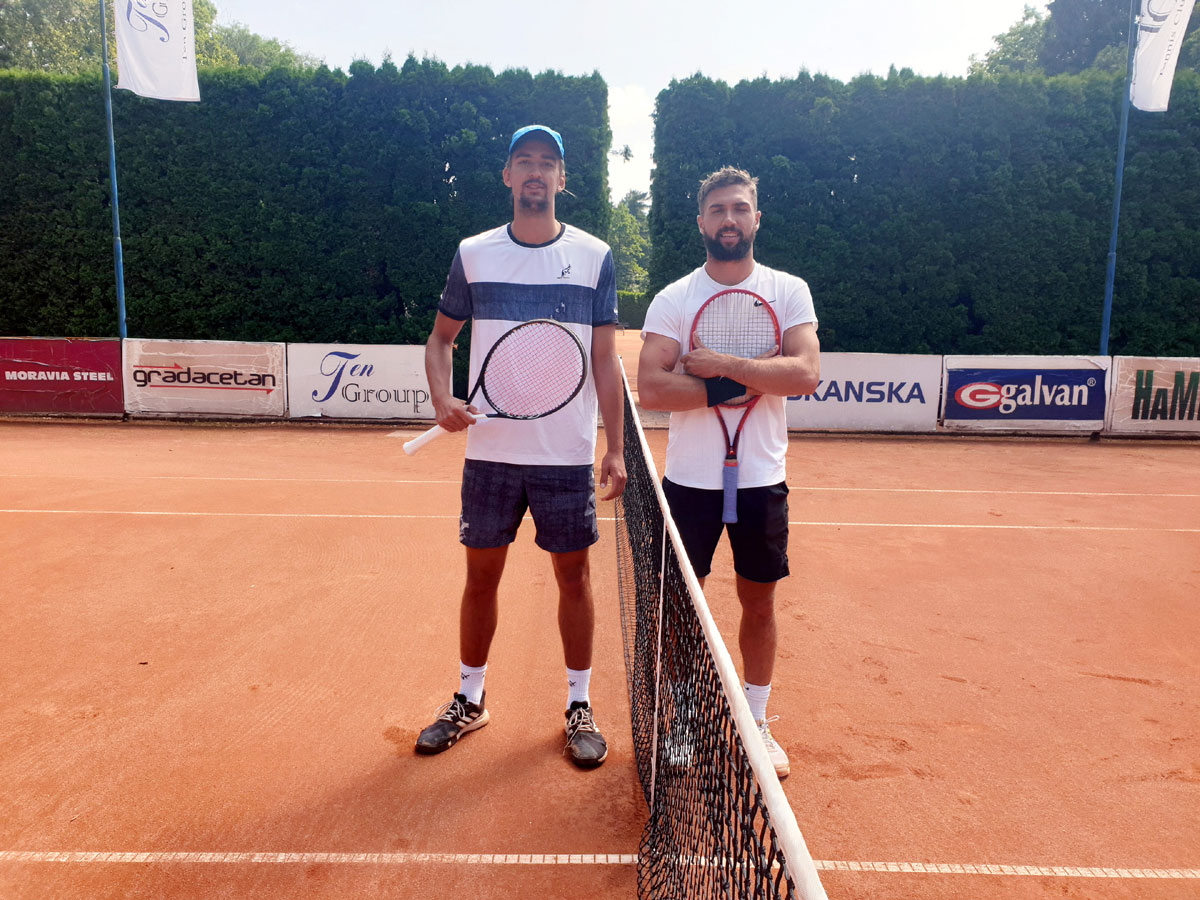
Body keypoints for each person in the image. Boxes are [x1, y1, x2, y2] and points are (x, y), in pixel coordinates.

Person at [414, 124, 626, 768]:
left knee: (574, 578)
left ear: (562, 178)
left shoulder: (595, 255)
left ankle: (579, 705)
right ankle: (469, 697)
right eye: (524, 161)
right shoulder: (473, 253)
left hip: (565, 455)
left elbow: (605, 359)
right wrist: (443, 398)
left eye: (547, 162)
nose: (536, 171)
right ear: (507, 176)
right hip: (491, 455)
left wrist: (615, 447)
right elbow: (440, 339)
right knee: (481, 577)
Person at [636, 166, 820, 779]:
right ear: (701, 222)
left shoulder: (788, 290)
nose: (729, 219)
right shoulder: (674, 298)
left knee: (758, 603)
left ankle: (757, 720)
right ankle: (684, 717)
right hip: (689, 482)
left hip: (762, 478)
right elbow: (652, 388)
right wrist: (740, 379)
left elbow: (803, 374)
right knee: (680, 608)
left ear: (756, 218)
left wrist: (718, 364)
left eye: (740, 208)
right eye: (718, 210)